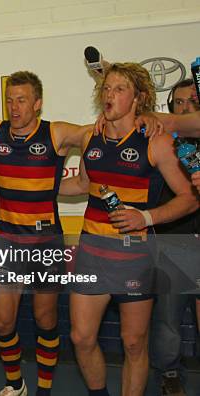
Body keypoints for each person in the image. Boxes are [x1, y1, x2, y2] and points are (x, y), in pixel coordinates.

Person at [60, 63, 198, 396]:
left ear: (138, 98)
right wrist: (35, 186)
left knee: (134, 343)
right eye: (106, 88)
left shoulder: (156, 141)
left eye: (120, 89)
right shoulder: (90, 136)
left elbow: (190, 199)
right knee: (81, 337)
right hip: (92, 252)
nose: (110, 94)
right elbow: (82, 184)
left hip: (133, 256)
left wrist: (146, 218)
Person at [0, 71, 98, 396]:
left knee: (45, 319)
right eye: (10, 100)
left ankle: (44, 391)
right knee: (2, 322)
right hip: (7, 239)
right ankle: (15, 385)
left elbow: (93, 135)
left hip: (45, 240)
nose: (14, 107)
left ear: (37, 103)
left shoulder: (55, 133)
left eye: (21, 100)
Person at [149, 78, 200, 396]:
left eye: (191, 101)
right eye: (178, 103)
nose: (185, 107)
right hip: (173, 241)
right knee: (167, 318)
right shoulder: (163, 141)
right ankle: (169, 375)